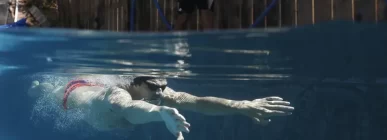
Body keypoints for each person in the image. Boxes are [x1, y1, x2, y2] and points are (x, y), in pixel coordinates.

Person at [28, 75, 294, 140]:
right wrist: (159, 113)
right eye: (154, 88)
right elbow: (128, 109)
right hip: (71, 94)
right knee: (47, 90)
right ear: (138, 83)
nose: (161, 92)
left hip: (104, 105)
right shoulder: (116, 94)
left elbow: (198, 102)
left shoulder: (159, 91)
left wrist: (242, 106)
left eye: (163, 86)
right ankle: (39, 85)